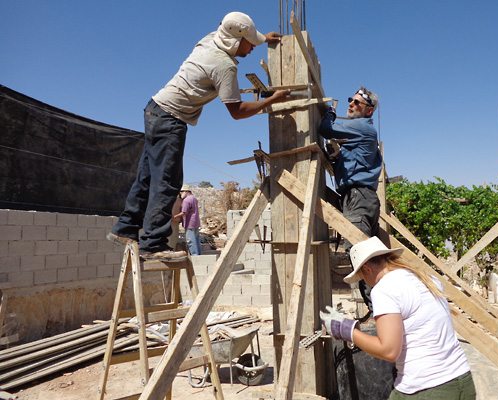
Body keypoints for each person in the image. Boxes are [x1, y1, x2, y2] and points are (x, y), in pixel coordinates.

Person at [107, 11, 291, 262]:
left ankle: (125, 228)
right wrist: (271, 101)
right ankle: (153, 244)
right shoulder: (224, 67)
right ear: (235, 41)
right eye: (249, 43)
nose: (251, 49)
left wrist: (260, 39)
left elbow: (231, 33)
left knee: (147, 176)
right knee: (167, 182)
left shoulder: (211, 39)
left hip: (155, 109)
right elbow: (237, 111)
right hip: (171, 119)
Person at [321, 237, 476, 399]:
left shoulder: (385, 288)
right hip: (462, 380)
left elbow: (388, 351)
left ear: (367, 269)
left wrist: (348, 331)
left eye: (362, 278)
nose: (366, 283)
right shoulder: (425, 278)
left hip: (427, 388)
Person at [319, 86, 382, 312]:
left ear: (369, 111)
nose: (351, 105)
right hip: (360, 197)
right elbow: (347, 161)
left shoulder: (361, 127)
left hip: (358, 197)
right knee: (369, 261)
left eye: (357, 103)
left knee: (361, 258)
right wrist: (335, 158)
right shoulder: (358, 136)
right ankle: (385, 314)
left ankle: (383, 315)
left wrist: (330, 113)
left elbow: (326, 129)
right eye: (351, 101)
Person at [173, 184, 202, 255]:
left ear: (186, 191)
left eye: (181, 192)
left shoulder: (186, 200)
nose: (180, 193)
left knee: (190, 241)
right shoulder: (193, 198)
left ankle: (194, 255)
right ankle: (199, 254)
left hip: (189, 223)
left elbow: (185, 212)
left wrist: (175, 216)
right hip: (195, 222)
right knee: (196, 239)